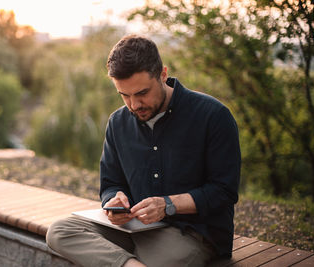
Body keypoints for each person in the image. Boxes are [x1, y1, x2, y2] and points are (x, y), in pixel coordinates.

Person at [46, 35, 241, 267]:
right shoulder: (117, 123)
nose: (134, 104)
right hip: (133, 229)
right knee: (60, 231)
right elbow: (110, 183)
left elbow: (223, 191)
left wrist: (168, 204)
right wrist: (114, 201)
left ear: (163, 74)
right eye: (124, 95)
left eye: (141, 93)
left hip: (192, 233)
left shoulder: (213, 116)